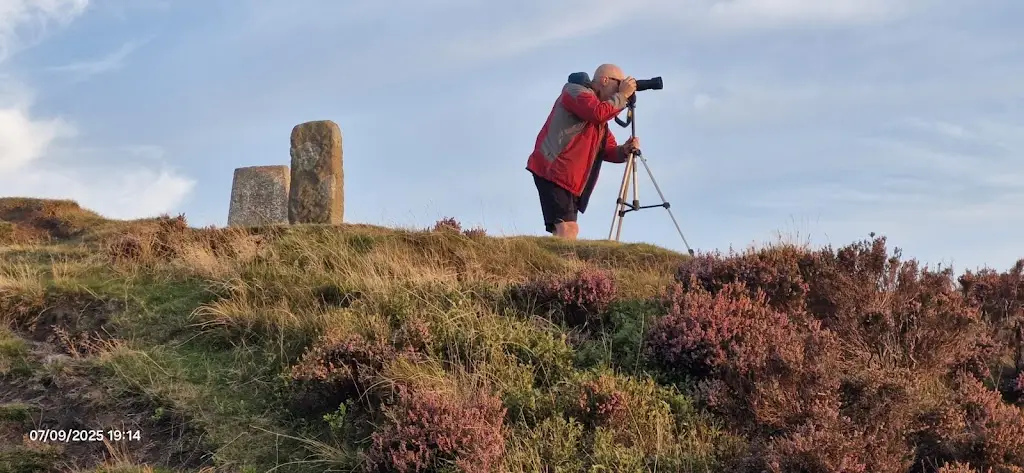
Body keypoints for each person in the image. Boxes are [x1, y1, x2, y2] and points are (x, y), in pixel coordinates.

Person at [526, 64, 640, 240]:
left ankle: (560, 264)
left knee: (566, 230)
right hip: (553, 171)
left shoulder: (599, 118)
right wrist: (623, 95)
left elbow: (608, 150)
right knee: (568, 229)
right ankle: (566, 266)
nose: (622, 89)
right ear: (604, 80)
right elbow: (597, 113)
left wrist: (625, 151)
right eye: (619, 85)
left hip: (569, 180)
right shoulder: (576, 92)